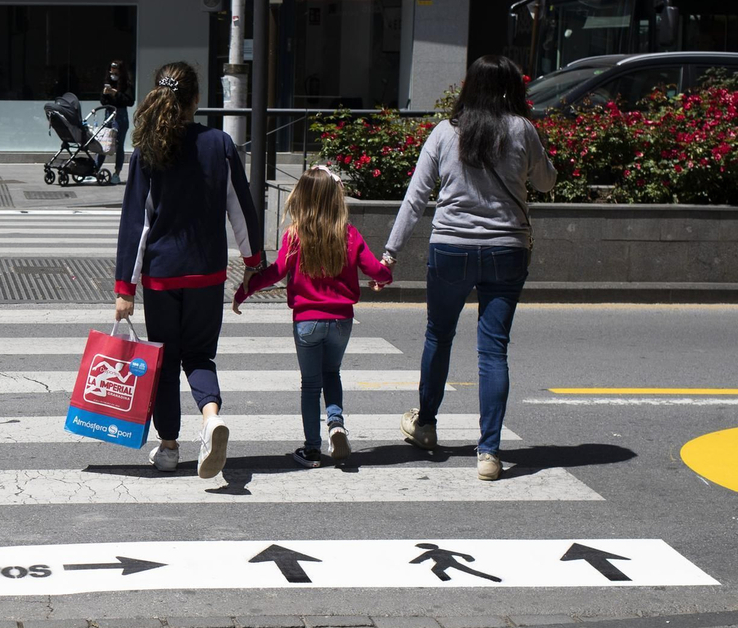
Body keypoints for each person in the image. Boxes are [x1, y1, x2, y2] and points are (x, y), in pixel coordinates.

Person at [382, 55, 557, 481]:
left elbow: (416, 198)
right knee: (493, 349)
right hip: (506, 250)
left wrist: (390, 251)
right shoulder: (522, 130)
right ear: (511, 88)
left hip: (451, 251)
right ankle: (490, 453)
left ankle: (425, 426)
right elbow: (546, 182)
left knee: (438, 336)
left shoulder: (444, 133)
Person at [115, 61, 264, 478]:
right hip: (207, 273)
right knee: (199, 355)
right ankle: (211, 418)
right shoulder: (219, 144)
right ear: (196, 100)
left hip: (162, 275)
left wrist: (124, 286)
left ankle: (168, 446)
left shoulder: (148, 149)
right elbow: (241, 209)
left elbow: (136, 223)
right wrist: (253, 264)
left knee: (164, 360)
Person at [231, 165, 393, 467]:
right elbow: (374, 269)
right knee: (332, 373)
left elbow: (275, 272)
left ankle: (311, 448)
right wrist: (385, 275)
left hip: (307, 322)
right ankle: (335, 423)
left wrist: (244, 291)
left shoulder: (295, 236)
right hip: (342, 321)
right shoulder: (349, 234)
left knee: (310, 384)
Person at [101, 59, 134, 183]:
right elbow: (103, 101)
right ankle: (95, 169)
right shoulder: (108, 82)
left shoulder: (126, 84)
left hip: (120, 115)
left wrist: (116, 94)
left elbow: (129, 101)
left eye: (115, 69)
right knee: (103, 142)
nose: (113, 71)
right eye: (111, 68)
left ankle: (117, 173)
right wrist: (105, 94)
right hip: (108, 114)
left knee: (119, 144)